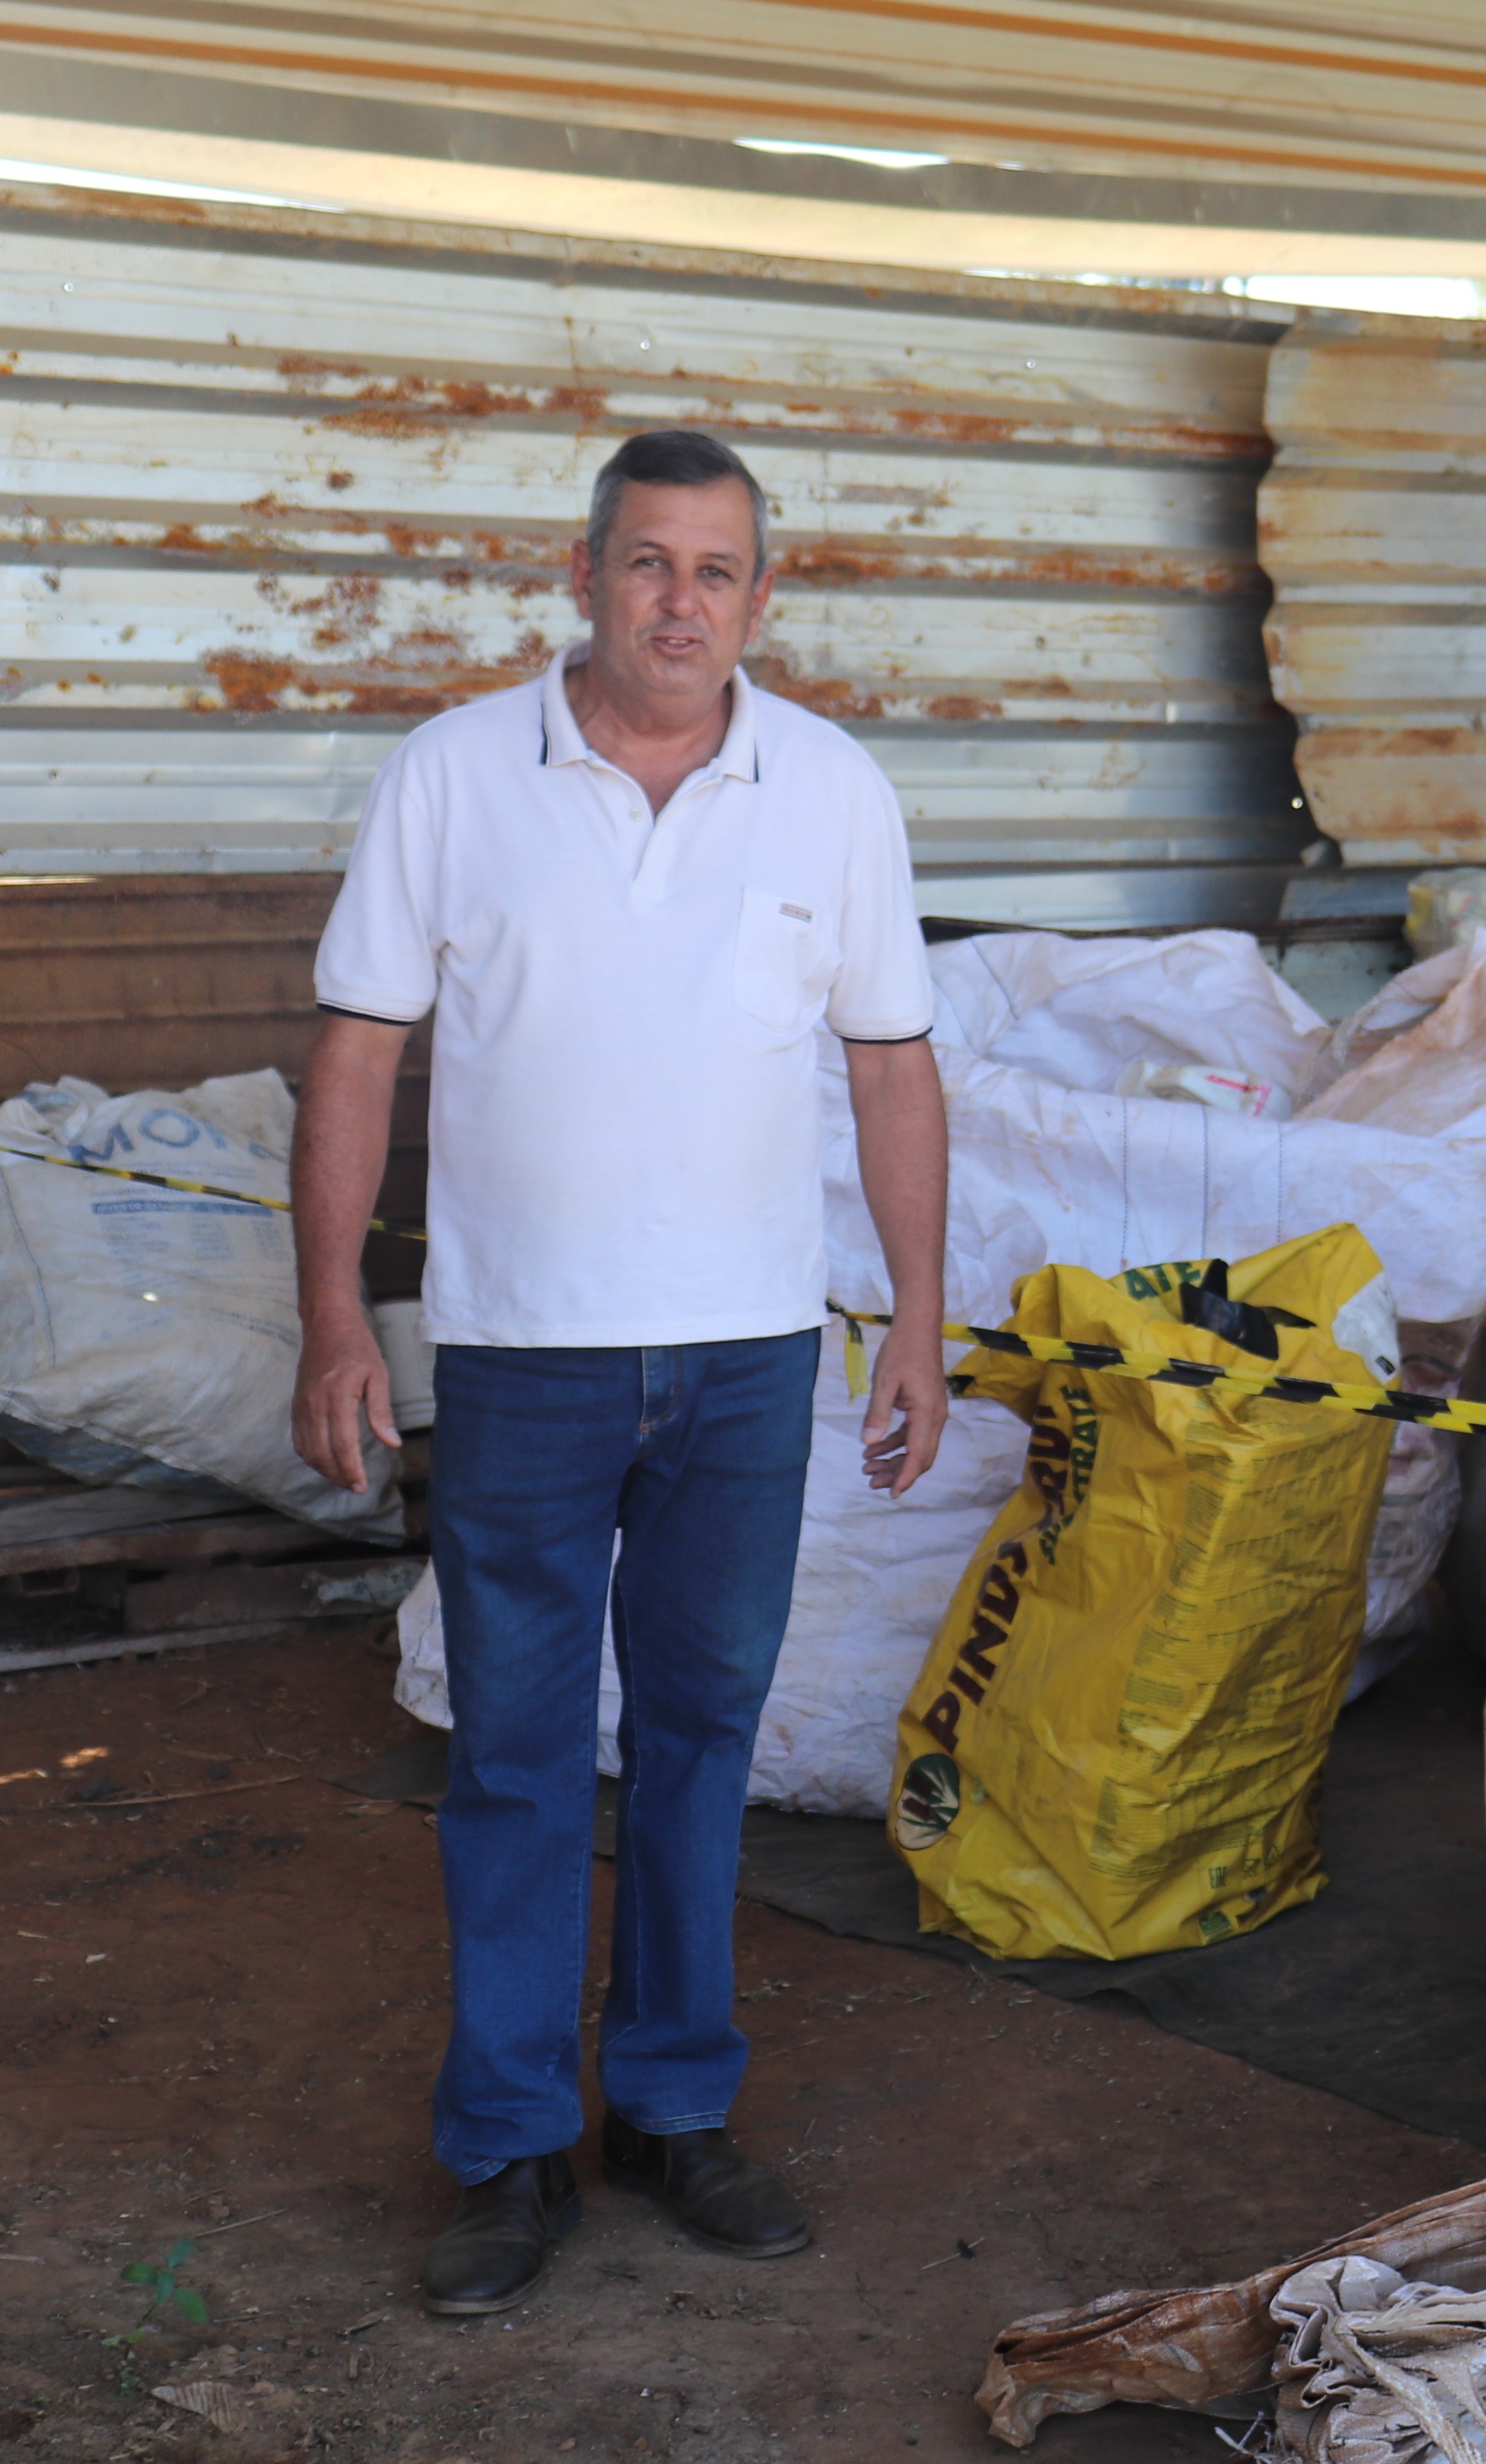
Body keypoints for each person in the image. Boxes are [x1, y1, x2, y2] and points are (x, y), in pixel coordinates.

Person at [286, 426, 951, 2316]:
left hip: (747, 1358)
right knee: (509, 1757)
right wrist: (340, 1312)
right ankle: (509, 2147)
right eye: (647, 564)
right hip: (523, 1357)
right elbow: (358, 1052)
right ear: (581, 576)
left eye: (717, 571)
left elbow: (892, 1062)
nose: (681, 605)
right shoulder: (453, 779)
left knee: (695, 1747)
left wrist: (912, 1313)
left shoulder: (827, 789)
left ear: (764, 595)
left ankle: (671, 2106)